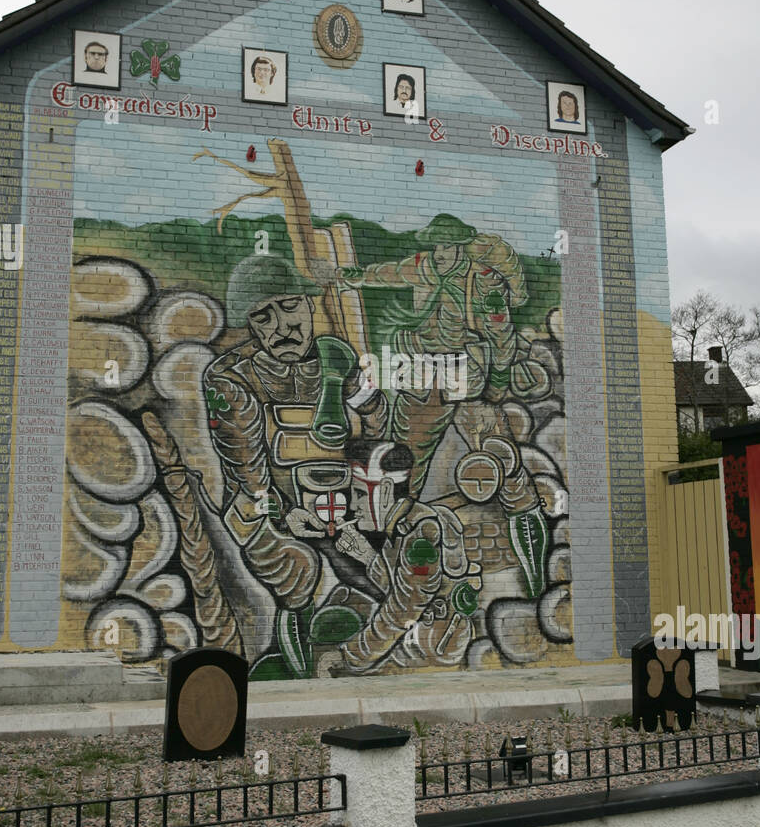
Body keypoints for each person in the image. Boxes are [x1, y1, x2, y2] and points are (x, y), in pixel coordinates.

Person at [336, 213, 550, 599]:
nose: (441, 252)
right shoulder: (426, 266)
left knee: (500, 459)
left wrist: (498, 387)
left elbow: (502, 339)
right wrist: (355, 275)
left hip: (466, 378)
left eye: (447, 245)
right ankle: (394, 552)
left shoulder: (484, 284)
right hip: (423, 373)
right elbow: (391, 273)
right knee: (404, 463)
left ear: (460, 246)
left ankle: (533, 551)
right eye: (437, 245)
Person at [203, 253, 388, 678]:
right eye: (263, 316)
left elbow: (380, 428)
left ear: (308, 305)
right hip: (270, 513)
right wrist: (287, 515)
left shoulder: (336, 360)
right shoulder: (232, 378)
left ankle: (344, 628)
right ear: (251, 325)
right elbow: (247, 471)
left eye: (289, 307)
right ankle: (301, 647)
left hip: (341, 506)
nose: (282, 326)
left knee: (386, 576)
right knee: (296, 570)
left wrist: (357, 387)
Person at [321, 438, 479, 674]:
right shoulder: (402, 526)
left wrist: (350, 656)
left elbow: (404, 608)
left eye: (360, 494)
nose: (354, 504)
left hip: (432, 649)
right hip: (420, 638)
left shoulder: (422, 535)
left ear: (384, 490)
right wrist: (365, 555)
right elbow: (399, 588)